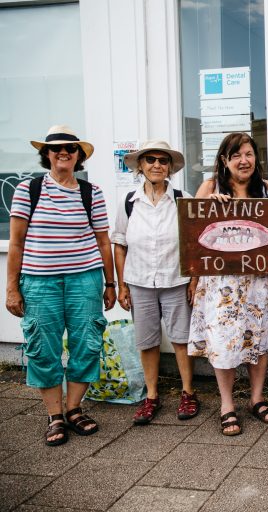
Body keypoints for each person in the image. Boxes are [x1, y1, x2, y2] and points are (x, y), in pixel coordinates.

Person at [5, 125, 115, 446]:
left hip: (85, 280)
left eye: (70, 148)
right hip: (40, 282)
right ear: (47, 155)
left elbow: (103, 241)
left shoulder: (90, 192)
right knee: (42, 348)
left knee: (88, 343)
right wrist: (12, 287)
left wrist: (110, 283)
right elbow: (16, 244)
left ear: (79, 155)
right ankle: (55, 416)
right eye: (55, 148)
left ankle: (74, 409)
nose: (62, 152)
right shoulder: (29, 190)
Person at [188, 133, 268, 435]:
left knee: (258, 338)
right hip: (221, 283)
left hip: (259, 282)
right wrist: (208, 208)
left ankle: (256, 398)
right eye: (236, 155)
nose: (244, 160)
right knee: (224, 340)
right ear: (224, 161)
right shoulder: (208, 188)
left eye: (249, 154)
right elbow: (191, 237)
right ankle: (227, 404)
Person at [113, 140, 199, 425]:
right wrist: (122, 285)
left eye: (163, 161)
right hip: (139, 282)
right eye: (150, 160)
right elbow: (120, 245)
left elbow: (194, 242)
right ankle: (151, 396)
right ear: (141, 165)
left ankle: (188, 392)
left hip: (175, 279)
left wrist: (194, 279)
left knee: (181, 338)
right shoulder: (129, 201)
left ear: (170, 167)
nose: (157, 165)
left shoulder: (181, 197)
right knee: (147, 341)